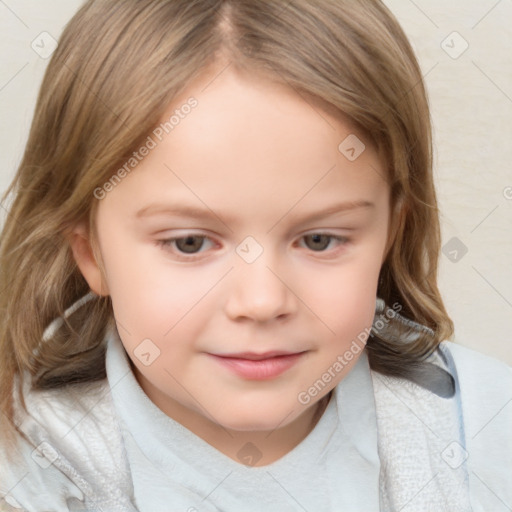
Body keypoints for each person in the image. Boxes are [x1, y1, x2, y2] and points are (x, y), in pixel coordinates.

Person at [0, 1, 510, 511]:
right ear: (91, 254)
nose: (262, 301)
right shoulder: (23, 470)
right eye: (190, 243)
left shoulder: (484, 438)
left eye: (319, 240)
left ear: (388, 238)